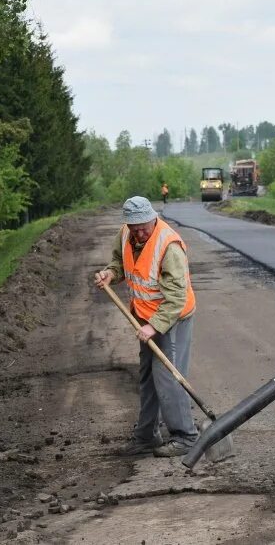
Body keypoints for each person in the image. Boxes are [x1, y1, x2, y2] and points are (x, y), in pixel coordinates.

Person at [92, 196, 197, 457]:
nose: (139, 232)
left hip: (172, 319)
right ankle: (147, 435)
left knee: (168, 376)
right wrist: (110, 273)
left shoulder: (169, 245)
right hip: (144, 317)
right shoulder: (126, 233)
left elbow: (176, 297)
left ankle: (186, 435)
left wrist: (155, 325)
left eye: (144, 227)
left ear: (154, 218)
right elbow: (119, 262)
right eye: (134, 227)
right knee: (147, 376)